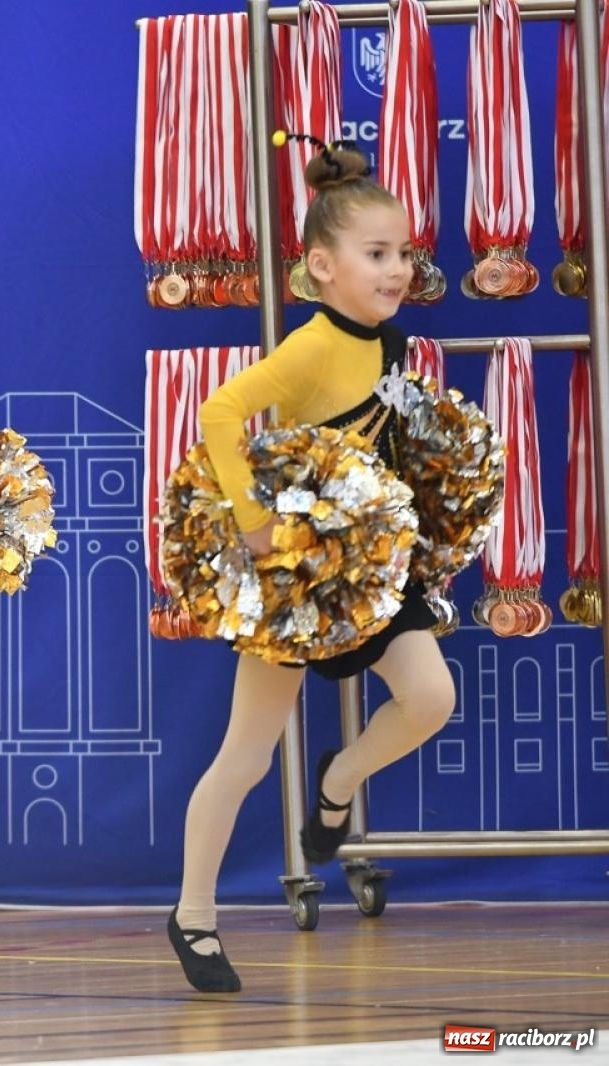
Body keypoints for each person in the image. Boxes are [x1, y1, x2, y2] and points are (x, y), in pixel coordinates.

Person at [167, 138, 455, 993]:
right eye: (377, 254)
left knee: (433, 698)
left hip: (370, 570)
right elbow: (223, 415)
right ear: (322, 267)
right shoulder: (314, 347)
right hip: (295, 577)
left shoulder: (391, 344)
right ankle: (192, 917)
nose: (397, 268)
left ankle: (338, 780)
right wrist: (253, 527)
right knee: (245, 757)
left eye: (404, 252)